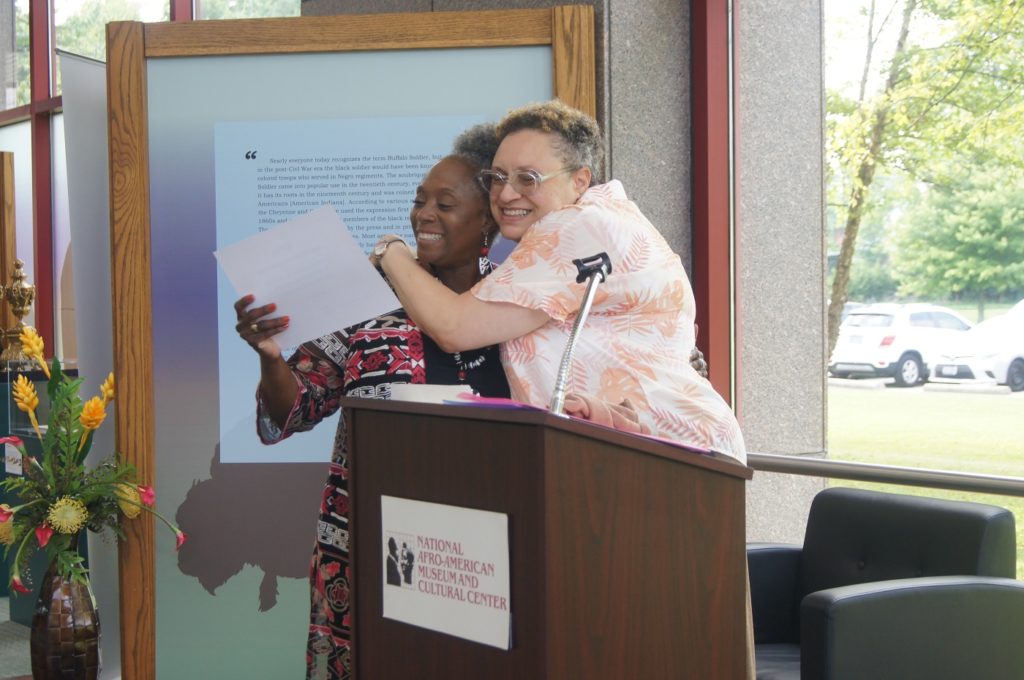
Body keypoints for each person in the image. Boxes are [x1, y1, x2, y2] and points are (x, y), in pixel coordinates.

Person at [233, 124, 510, 680]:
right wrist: (269, 355)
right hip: (374, 548)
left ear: (488, 222)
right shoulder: (367, 299)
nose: (423, 215)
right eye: (419, 200)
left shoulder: (519, 301)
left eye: (446, 204)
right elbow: (292, 410)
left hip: (494, 549)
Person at [374, 101, 746, 462]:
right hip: (640, 452)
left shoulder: (575, 227)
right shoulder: (600, 219)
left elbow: (454, 327)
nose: (506, 194)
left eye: (528, 178)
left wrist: (390, 250)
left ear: (579, 180)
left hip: (664, 455)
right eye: (498, 178)